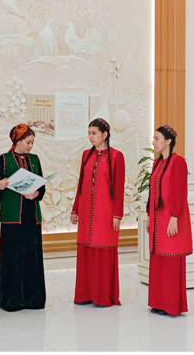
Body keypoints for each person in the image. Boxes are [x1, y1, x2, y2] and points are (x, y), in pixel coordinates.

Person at [0, 123, 46, 311]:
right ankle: (11, 299)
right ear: (17, 141)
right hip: (12, 219)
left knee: (31, 258)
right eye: (28, 142)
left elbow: (42, 187)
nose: (31, 146)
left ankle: (33, 299)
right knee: (12, 259)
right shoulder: (3, 160)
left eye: (32, 142)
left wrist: (37, 193)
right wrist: (0, 185)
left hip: (31, 218)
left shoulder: (35, 159)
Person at [71, 118, 125, 307]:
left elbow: (119, 188)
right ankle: (85, 294)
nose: (90, 137)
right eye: (89, 133)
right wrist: (75, 209)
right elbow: (80, 184)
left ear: (105, 134)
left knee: (103, 250)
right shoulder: (86, 155)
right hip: (86, 212)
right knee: (87, 250)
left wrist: (117, 215)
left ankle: (103, 296)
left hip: (106, 213)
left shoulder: (117, 156)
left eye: (94, 133)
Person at [146, 125, 193, 316]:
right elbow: (152, 192)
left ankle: (171, 305)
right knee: (159, 260)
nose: (153, 142)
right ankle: (158, 302)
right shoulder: (157, 163)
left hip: (171, 218)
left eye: (157, 139)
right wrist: (149, 216)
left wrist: (174, 216)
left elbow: (180, 191)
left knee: (171, 260)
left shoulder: (178, 162)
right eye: (154, 138)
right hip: (158, 218)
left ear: (168, 141)